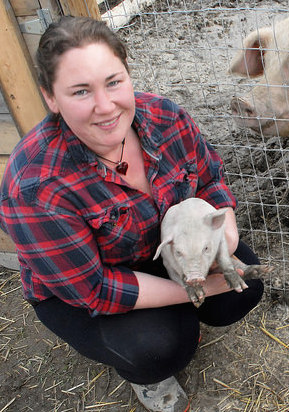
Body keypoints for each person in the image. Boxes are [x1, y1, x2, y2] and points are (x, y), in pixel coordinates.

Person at [0, 16, 264, 412]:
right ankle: (152, 376)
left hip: (165, 250)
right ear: (51, 98)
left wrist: (223, 236)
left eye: (114, 82)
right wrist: (200, 287)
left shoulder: (164, 116)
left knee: (244, 287)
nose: (105, 107)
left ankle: (180, 316)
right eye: (80, 91)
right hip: (87, 285)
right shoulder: (36, 185)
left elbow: (210, 179)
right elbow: (95, 289)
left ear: (128, 75)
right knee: (157, 348)